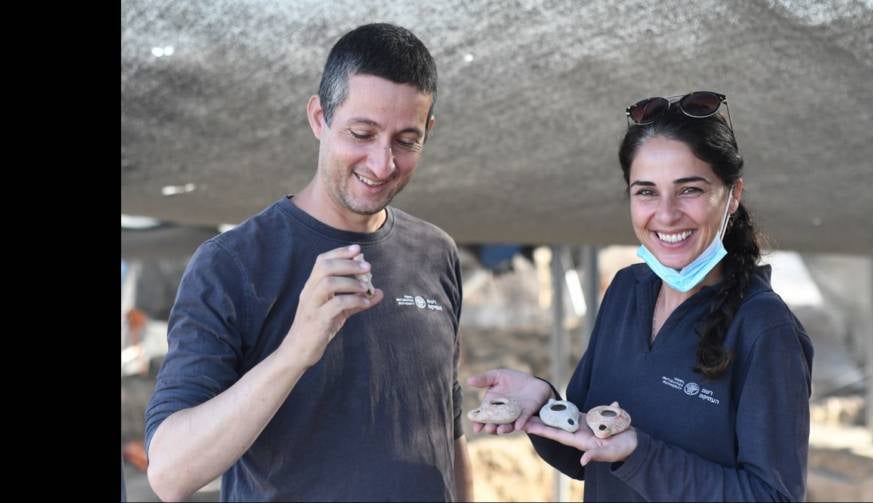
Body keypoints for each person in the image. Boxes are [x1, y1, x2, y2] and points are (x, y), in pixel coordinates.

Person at [144, 23, 472, 502]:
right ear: (319, 117)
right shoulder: (233, 265)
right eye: (361, 133)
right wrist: (297, 349)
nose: (382, 164)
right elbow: (169, 474)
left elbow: (449, 426)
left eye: (406, 140)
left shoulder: (436, 251)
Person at [468, 91, 813, 501]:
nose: (665, 214)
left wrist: (638, 453)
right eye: (646, 192)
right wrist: (543, 403)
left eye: (689, 190)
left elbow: (772, 496)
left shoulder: (765, 329)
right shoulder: (627, 291)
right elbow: (587, 450)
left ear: (732, 196)